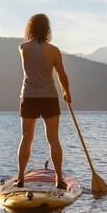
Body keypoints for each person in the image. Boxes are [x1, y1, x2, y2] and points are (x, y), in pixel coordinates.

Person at [16, 13, 71, 189]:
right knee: (53, 139)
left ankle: (20, 178)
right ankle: (58, 180)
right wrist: (66, 93)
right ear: (47, 29)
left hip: (29, 96)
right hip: (49, 97)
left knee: (26, 138)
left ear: (30, 28)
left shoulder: (23, 48)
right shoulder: (54, 51)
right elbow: (61, 75)